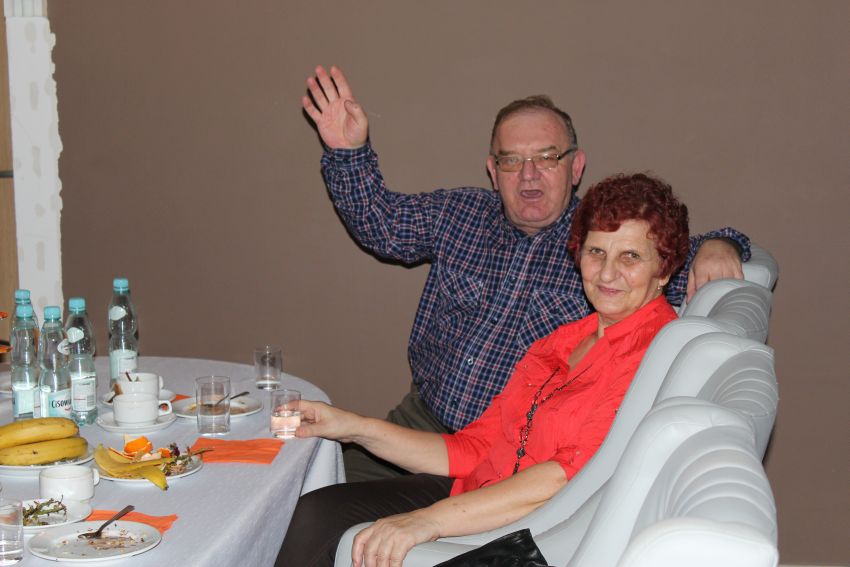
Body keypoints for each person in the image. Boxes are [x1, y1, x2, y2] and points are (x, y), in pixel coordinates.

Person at [302, 65, 749, 481]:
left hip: (514, 458)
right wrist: (348, 152)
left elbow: (669, 256)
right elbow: (381, 224)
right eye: (512, 161)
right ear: (493, 171)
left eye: (547, 157)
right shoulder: (458, 214)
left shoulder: (602, 247)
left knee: (359, 521)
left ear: (576, 166)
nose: (528, 175)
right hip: (422, 422)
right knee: (318, 485)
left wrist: (722, 244)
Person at [277, 172, 690, 567]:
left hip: (530, 533)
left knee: (342, 536)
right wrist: (350, 427)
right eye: (596, 252)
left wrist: (428, 521)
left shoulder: (652, 351)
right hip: (476, 495)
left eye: (630, 256)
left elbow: (565, 478)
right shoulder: (566, 340)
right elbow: (473, 449)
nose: (607, 272)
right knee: (319, 511)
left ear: (665, 268)